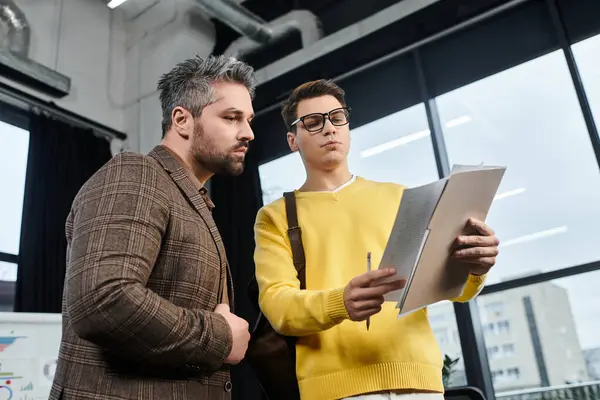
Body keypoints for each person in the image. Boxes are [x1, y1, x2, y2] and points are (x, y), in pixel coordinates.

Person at [253, 79, 500, 400]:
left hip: (420, 382)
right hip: (335, 390)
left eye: (337, 117)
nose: (329, 129)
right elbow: (278, 306)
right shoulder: (275, 216)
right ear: (293, 140)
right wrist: (340, 302)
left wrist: (476, 269)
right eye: (313, 123)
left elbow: (455, 290)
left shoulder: (399, 197)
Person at [50, 55, 256, 400]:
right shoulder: (138, 173)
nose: (248, 132)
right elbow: (102, 300)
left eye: (248, 120)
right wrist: (220, 338)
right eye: (231, 117)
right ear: (182, 120)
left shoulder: (189, 197)